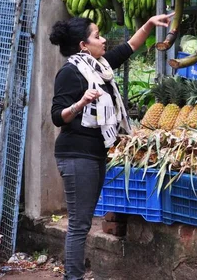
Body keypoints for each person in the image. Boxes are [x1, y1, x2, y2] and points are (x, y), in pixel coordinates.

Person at [49, 14, 171, 280]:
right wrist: (80, 103)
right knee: (80, 224)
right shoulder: (70, 73)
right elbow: (57, 116)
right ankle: (74, 277)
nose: (103, 39)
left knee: (84, 220)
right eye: (97, 36)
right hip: (76, 155)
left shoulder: (100, 68)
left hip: (94, 153)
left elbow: (127, 48)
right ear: (83, 45)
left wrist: (149, 25)